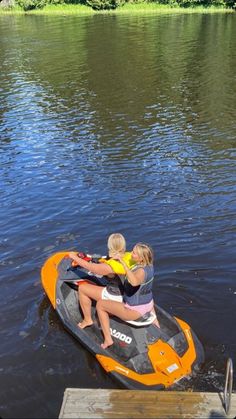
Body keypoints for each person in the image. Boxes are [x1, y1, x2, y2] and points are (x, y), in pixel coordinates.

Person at [96, 242, 159, 349]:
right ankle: (157, 328)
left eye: (134, 253)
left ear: (141, 258)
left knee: (100, 305)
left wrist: (123, 265)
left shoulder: (141, 271)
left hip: (135, 310)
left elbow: (134, 282)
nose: (131, 254)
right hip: (149, 305)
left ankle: (108, 340)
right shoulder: (149, 266)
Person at [69, 233, 135, 329]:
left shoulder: (109, 267)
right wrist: (92, 258)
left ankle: (87, 320)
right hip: (128, 293)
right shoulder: (130, 257)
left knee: (83, 288)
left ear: (109, 246)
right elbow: (106, 259)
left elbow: (91, 267)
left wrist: (74, 258)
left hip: (115, 295)